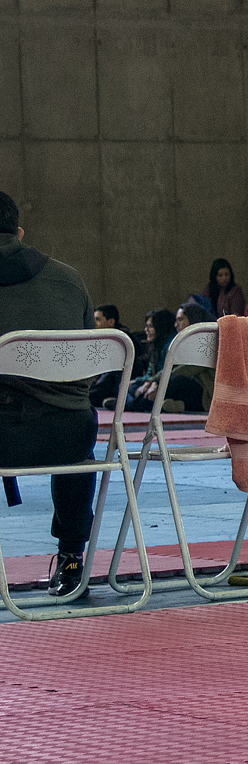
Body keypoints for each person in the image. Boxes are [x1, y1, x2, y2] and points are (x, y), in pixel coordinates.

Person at [0, 189, 97, 598]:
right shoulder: (69, 276)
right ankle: (73, 558)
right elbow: (93, 360)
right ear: (19, 232)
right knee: (72, 431)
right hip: (74, 436)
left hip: (6, 437)